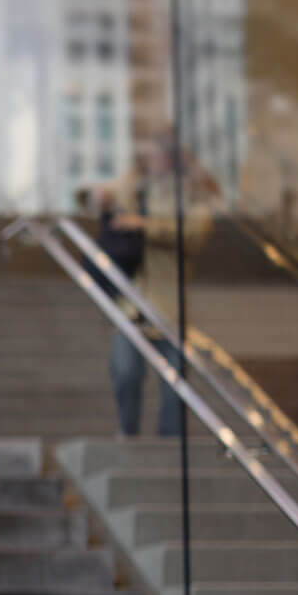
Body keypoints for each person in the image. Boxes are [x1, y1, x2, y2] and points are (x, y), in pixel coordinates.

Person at [96, 139, 213, 438]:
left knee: (175, 386)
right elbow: (96, 196)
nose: (152, 161)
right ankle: (128, 433)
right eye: (147, 156)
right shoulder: (137, 188)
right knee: (125, 372)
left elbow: (195, 232)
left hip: (169, 305)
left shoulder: (189, 194)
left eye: (157, 155)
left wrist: (145, 225)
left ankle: (170, 444)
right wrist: (103, 195)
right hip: (132, 303)